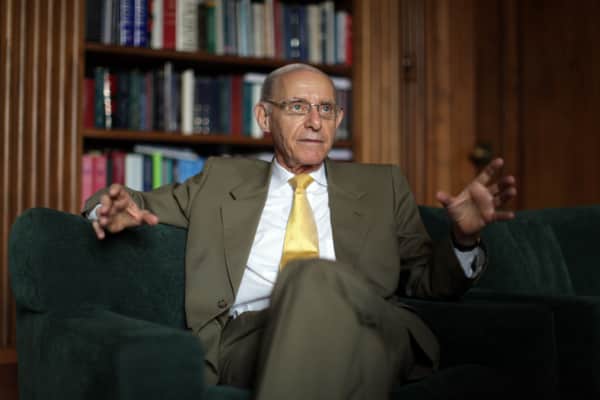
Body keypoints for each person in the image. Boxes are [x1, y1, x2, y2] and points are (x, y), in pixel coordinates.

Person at [83, 63, 516, 399]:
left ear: (338, 118)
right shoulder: (219, 180)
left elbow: (426, 279)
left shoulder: (382, 185)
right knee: (354, 350)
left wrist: (463, 239)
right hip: (252, 335)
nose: (315, 121)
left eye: (326, 109)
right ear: (264, 117)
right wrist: (109, 209)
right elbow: (130, 201)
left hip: (369, 320)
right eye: (297, 107)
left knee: (316, 281)